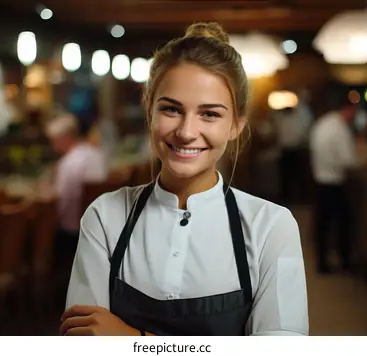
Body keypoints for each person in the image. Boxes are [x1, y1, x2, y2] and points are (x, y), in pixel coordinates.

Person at [60, 22, 308, 336]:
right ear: (149, 110)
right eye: (172, 110)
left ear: (236, 124)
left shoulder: (271, 227)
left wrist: (133, 339)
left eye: (210, 114)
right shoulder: (104, 217)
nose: (187, 132)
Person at [42, 113, 108, 268]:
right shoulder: (95, 154)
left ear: (66, 137)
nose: (53, 146)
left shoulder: (68, 163)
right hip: (99, 227)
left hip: (72, 233)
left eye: (54, 141)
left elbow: (60, 204)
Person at [309, 95, 358, 274]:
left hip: (319, 180)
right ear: (348, 109)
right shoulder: (340, 129)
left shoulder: (322, 124)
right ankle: (345, 261)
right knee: (344, 223)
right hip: (335, 182)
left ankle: (322, 263)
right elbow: (348, 161)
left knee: (322, 224)